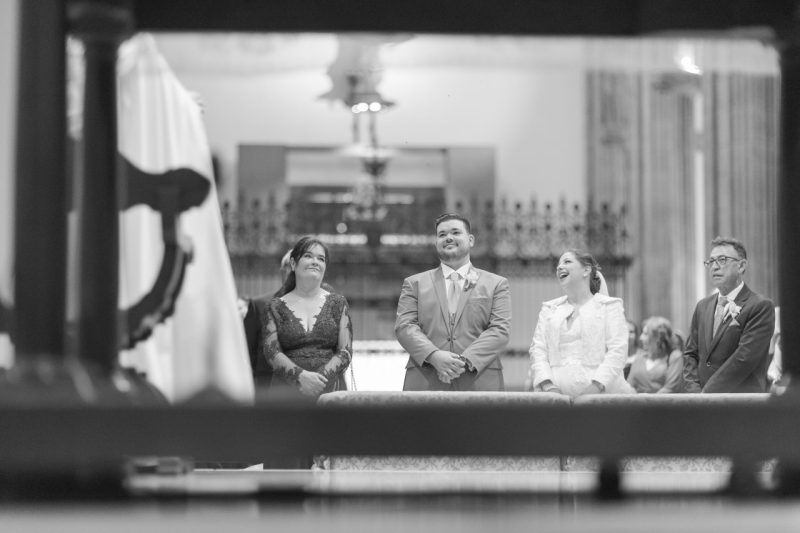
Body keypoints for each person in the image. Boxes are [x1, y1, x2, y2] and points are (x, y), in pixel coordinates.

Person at [395, 213, 511, 391]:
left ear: (470, 240)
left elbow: (499, 330)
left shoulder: (496, 284)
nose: (448, 237)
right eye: (442, 234)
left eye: (456, 232)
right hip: (426, 379)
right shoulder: (414, 284)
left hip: (479, 380)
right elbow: (405, 327)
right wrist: (434, 356)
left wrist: (463, 362)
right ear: (436, 243)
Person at [529, 249, 633, 398]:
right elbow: (538, 350)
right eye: (558, 264)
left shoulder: (609, 306)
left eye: (567, 261)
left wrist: (595, 388)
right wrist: (548, 386)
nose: (559, 267)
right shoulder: (549, 309)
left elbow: (618, 351)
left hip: (600, 397)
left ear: (586, 270)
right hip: (555, 398)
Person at [261, 236, 352, 398]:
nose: (315, 262)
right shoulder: (275, 306)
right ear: (293, 264)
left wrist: (318, 380)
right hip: (286, 393)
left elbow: (345, 352)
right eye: (308, 256)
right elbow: (271, 351)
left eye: (321, 259)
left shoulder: (338, 303)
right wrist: (300, 377)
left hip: (329, 393)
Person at [683, 236, 775, 393]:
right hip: (700, 401)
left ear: (741, 266)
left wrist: (707, 395)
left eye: (722, 260)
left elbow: (744, 359)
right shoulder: (702, 306)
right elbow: (690, 354)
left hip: (740, 401)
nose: (714, 267)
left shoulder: (760, 306)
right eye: (711, 261)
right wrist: (694, 393)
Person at [626, 316, 683, 393]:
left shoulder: (674, 357)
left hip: (663, 401)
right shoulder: (640, 358)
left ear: (658, 338)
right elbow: (629, 386)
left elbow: (671, 388)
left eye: (646, 334)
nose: (641, 338)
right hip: (637, 400)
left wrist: (647, 399)